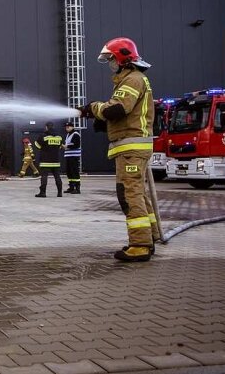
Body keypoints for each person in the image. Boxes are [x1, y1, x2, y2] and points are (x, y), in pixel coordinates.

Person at [78, 37, 157, 262]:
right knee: (138, 194)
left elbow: (120, 108)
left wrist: (94, 108)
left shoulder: (132, 79)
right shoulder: (132, 79)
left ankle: (140, 245)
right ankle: (149, 238)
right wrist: (104, 121)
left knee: (129, 194)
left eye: (112, 59)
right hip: (132, 146)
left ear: (123, 58)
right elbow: (122, 113)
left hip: (131, 147)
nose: (111, 64)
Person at [34, 122, 63, 197]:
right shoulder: (59, 137)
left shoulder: (43, 136)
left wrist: (44, 149)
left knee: (44, 176)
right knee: (57, 176)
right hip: (55, 160)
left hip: (45, 160)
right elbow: (60, 147)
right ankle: (60, 193)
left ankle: (43, 193)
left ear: (46, 127)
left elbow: (37, 145)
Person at [62, 122, 82, 194]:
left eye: (68, 127)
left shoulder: (76, 134)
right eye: (66, 127)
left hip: (74, 156)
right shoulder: (68, 135)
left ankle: (77, 188)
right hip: (68, 156)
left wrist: (66, 146)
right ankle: (71, 187)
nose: (66, 128)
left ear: (72, 127)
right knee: (69, 172)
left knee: (74, 171)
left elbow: (76, 145)